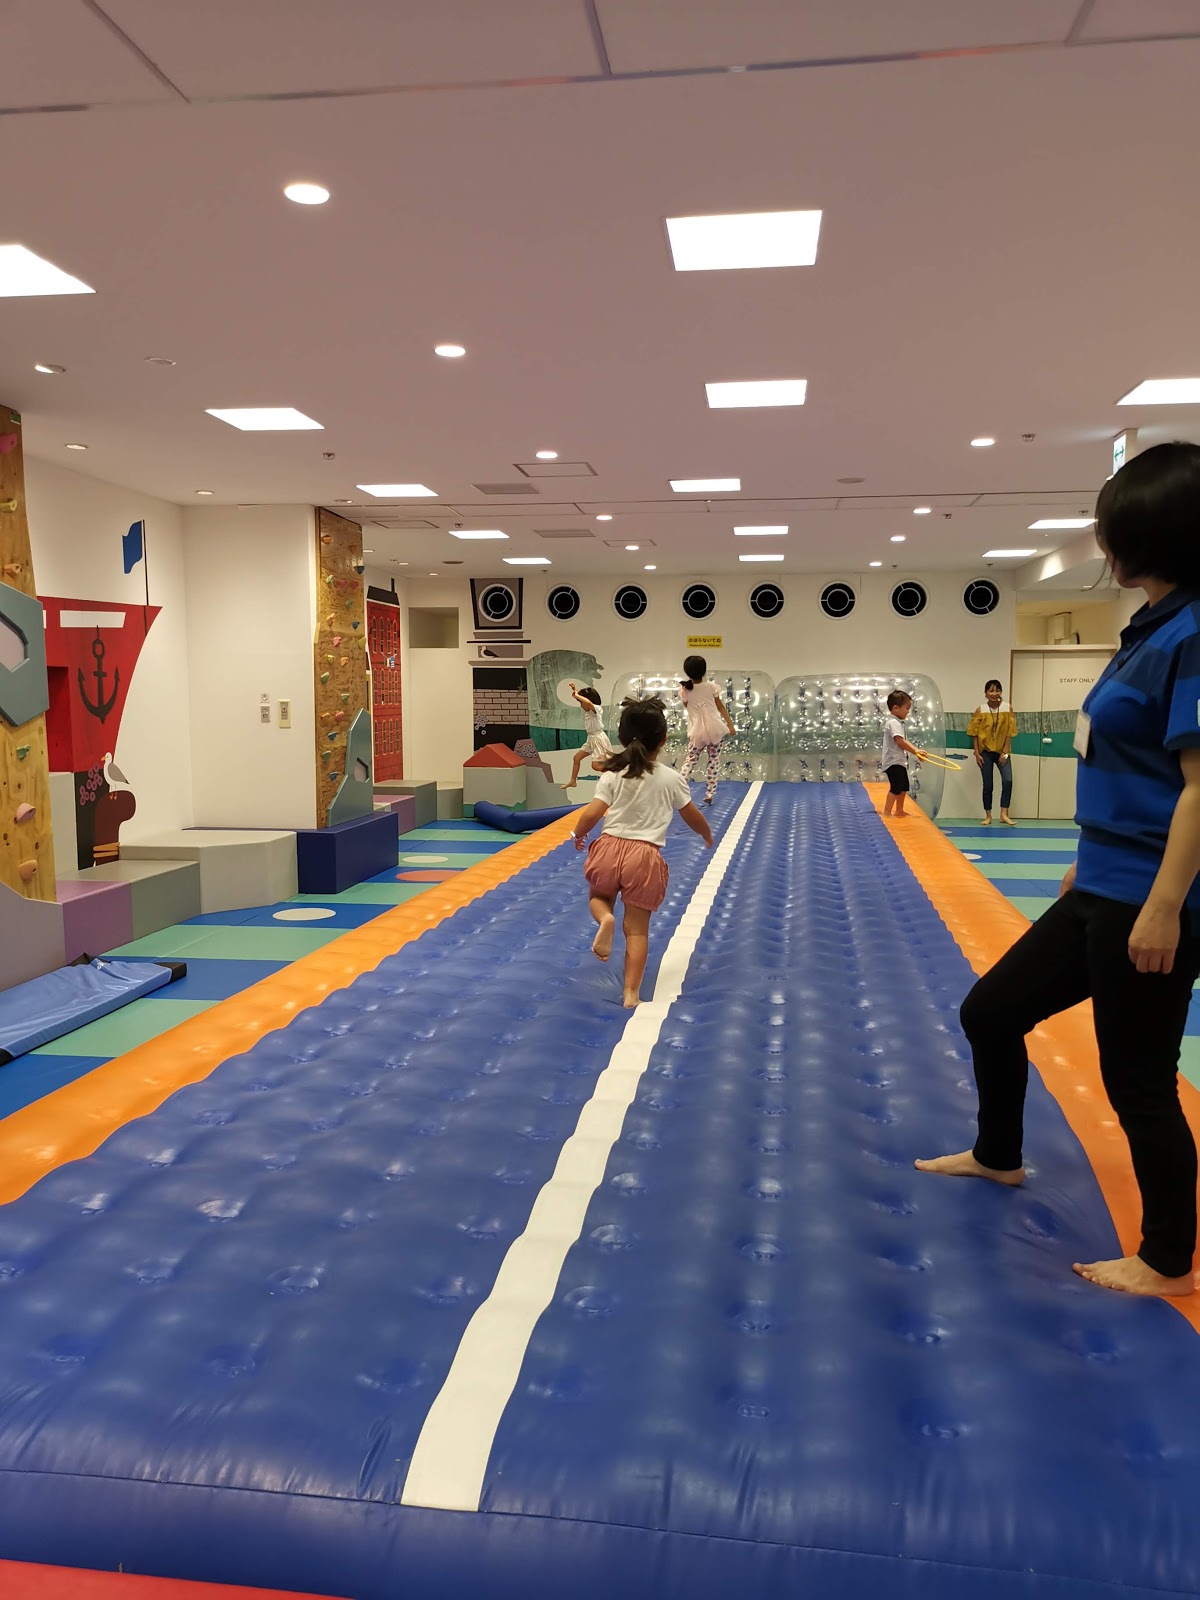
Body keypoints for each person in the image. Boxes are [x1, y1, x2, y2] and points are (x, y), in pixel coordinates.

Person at [917, 440, 1200, 1298]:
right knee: (991, 1011)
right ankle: (998, 1154)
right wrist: (1089, 859)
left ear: (1149, 537)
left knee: (1138, 1080)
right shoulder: (1148, 628)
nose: (1102, 548)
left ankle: (1169, 1261)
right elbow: (1127, 768)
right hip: (1102, 884)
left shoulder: (1193, 634)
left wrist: (1165, 906)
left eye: (1111, 533)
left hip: (1149, 899)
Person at [573, 695, 713, 1008]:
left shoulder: (612, 774)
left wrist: (578, 834)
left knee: (598, 898)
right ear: (663, 740)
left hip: (609, 848)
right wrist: (705, 833)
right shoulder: (671, 778)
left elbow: (593, 813)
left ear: (622, 738)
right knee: (637, 932)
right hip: (644, 857)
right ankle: (631, 994)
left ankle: (605, 919)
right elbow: (691, 814)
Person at [678, 655, 736, 805]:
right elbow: (720, 707)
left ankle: (678, 787)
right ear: (704, 671)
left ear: (687, 672)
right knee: (714, 761)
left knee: (691, 760)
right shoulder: (711, 687)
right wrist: (730, 725)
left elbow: (688, 707)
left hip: (697, 731)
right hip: (714, 729)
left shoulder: (684, 690)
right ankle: (710, 793)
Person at [968, 680, 1017, 826]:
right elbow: (974, 733)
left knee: (1008, 781)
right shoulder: (981, 710)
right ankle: (988, 815)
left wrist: (1005, 752)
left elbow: (1010, 732)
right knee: (988, 785)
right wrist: (977, 753)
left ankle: (1004, 814)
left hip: (1003, 752)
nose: (994, 694)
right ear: (986, 693)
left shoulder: (1007, 708)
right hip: (985, 752)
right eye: (991, 691)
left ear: (1001, 692)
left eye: (997, 690)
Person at [881, 690, 925, 818]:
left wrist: (916, 751)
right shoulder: (893, 723)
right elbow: (900, 742)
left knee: (904, 786)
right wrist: (916, 751)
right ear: (896, 708)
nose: (908, 712)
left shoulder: (897, 723)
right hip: (893, 762)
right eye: (907, 708)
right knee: (896, 787)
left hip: (899, 761)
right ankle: (887, 812)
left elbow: (902, 741)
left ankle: (899, 810)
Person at [566, 681, 612, 788]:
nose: (581, 705)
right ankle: (573, 781)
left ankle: (614, 771)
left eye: (581, 702)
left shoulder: (596, 708)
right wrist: (574, 689)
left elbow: (587, 702)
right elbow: (585, 700)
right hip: (591, 739)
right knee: (577, 758)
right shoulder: (589, 711)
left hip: (598, 739)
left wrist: (577, 695)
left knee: (595, 765)